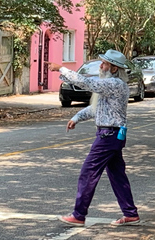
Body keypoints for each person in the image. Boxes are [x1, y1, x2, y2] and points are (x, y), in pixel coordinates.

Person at [49, 49, 140, 227]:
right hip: (112, 134)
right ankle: (130, 213)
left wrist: (61, 69)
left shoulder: (114, 84)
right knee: (117, 175)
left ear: (114, 69)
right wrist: (76, 118)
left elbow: (86, 82)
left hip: (108, 135)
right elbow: (96, 109)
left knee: (88, 172)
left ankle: (79, 214)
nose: (101, 66)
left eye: (105, 64)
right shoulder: (112, 85)